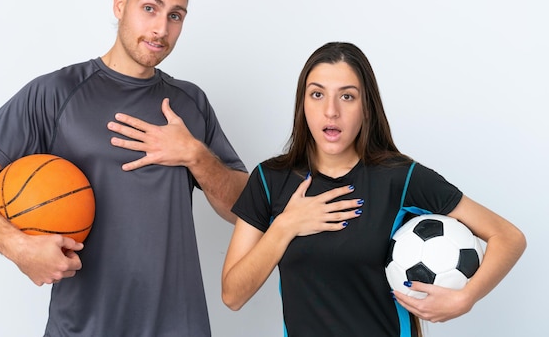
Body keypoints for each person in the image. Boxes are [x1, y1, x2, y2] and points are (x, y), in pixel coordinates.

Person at [0, 0, 248, 337]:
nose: (161, 28)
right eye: (149, 8)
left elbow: (243, 210)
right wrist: (17, 248)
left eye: (175, 16)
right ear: (120, 5)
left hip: (178, 326)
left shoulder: (190, 102)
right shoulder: (56, 92)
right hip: (84, 327)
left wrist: (196, 156)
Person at [221, 42, 526, 337]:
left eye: (347, 97)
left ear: (367, 107)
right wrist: (286, 225)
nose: (331, 111)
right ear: (302, 104)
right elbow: (232, 295)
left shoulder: (401, 178)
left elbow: (508, 237)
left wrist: (466, 298)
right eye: (317, 95)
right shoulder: (270, 179)